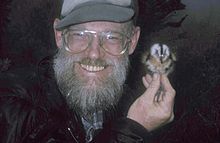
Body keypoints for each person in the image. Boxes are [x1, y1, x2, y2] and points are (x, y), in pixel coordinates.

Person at [0, 0, 175, 142]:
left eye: (112, 37)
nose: (94, 53)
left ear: (132, 41)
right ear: (59, 36)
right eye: (80, 34)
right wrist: (134, 128)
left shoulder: (120, 102)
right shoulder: (12, 106)